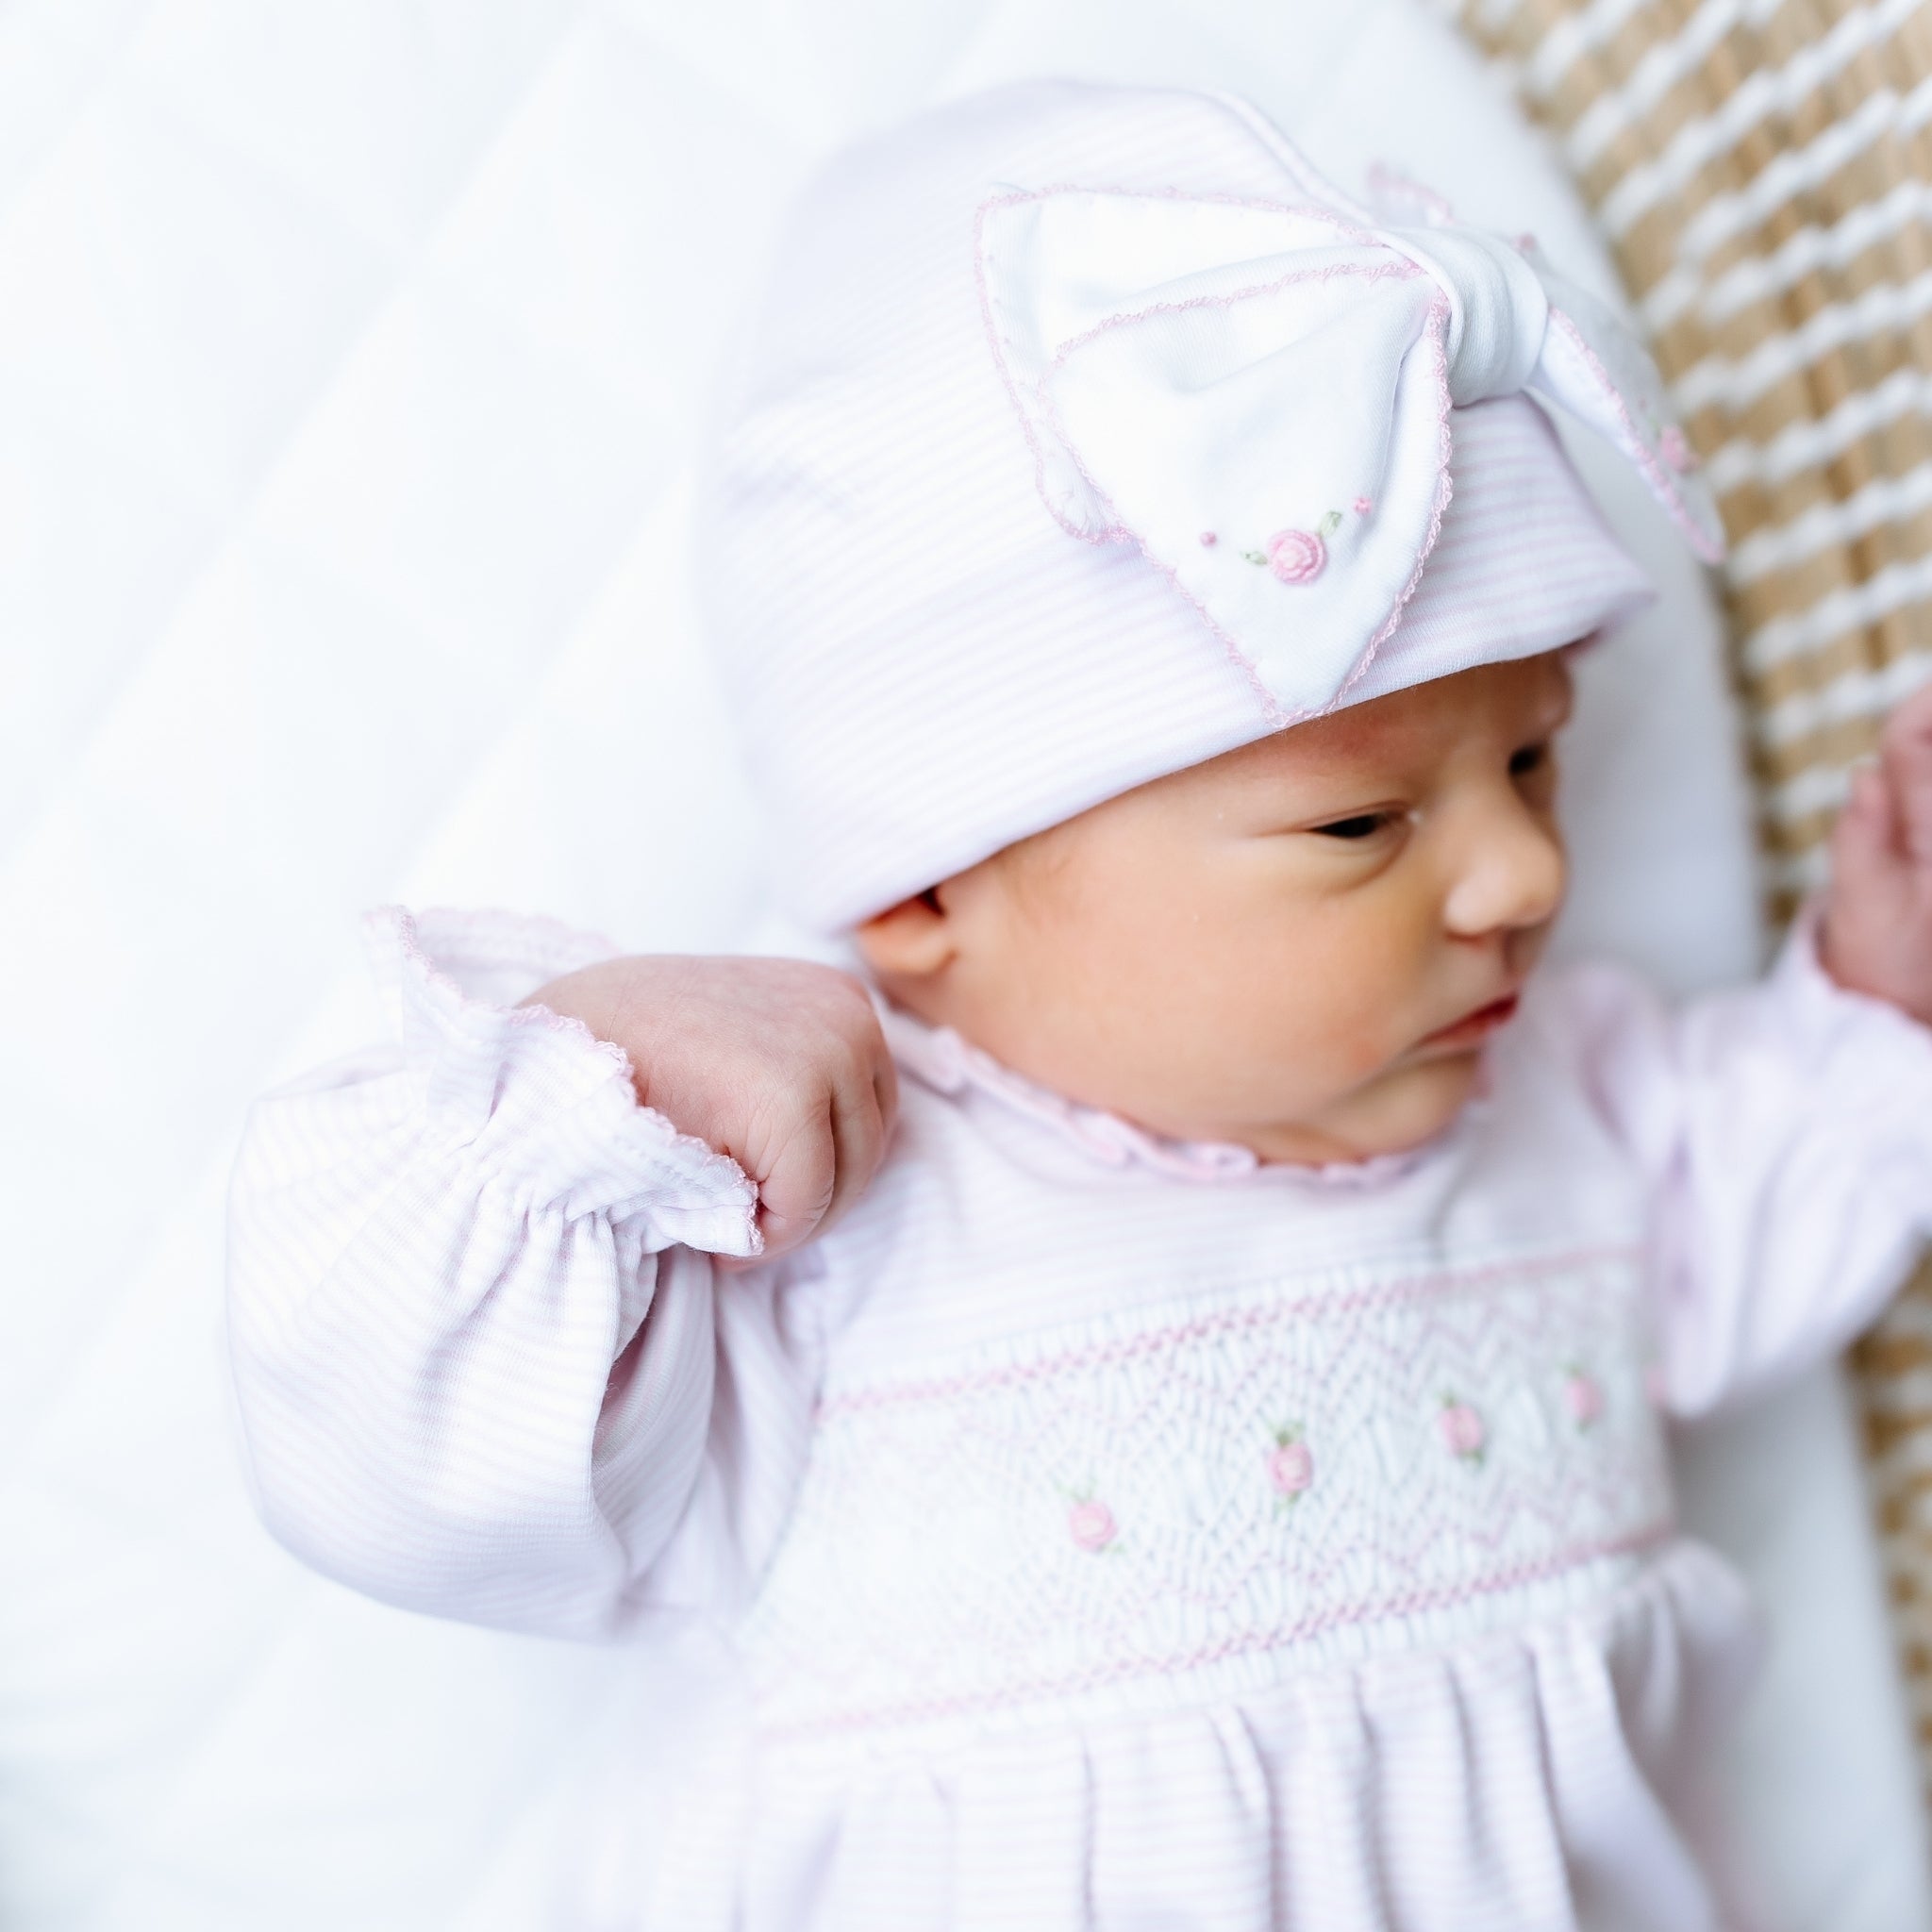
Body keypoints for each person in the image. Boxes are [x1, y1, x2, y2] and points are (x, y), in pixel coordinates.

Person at [225, 81, 1932, 1929]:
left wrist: (1877, 998)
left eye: (1535, 760)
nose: (1524, 876)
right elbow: (394, 1448)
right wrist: (598, 1093)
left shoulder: (1566, 1116)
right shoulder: (819, 1224)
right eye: (1361, 819)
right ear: (930, 884)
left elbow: (1775, 1201)